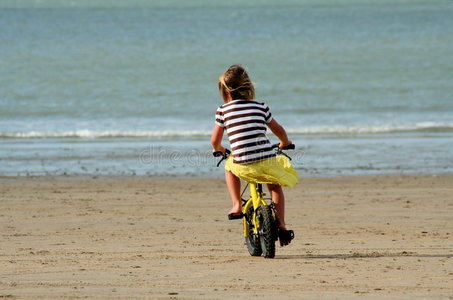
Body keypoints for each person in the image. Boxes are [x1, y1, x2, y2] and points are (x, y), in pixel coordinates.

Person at [210, 64, 299, 246]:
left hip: (243, 162)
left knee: (229, 167)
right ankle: (281, 225)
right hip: (266, 159)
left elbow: (214, 140)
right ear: (248, 87)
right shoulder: (261, 107)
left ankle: (236, 204)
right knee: (275, 188)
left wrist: (218, 149)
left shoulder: (223, 111)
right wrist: (285, 143)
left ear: (225, 91)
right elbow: (278, 130)